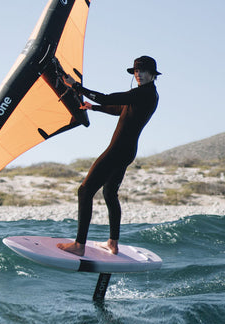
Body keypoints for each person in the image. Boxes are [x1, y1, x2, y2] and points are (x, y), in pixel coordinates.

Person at [57, 55, 161, 256]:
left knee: (85, 190)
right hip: (127, 150)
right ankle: (113, 243)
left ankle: (79, 245)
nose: (138, 74)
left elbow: (107, 98)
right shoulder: (147, 94)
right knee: (109, 193)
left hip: (119, 150)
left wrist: (76, 86)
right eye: (136, 71)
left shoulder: (144, 93)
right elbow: (119, 109)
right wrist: (93, 107)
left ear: (152, 74)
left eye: (143, 71)